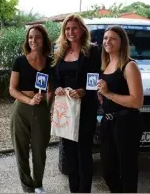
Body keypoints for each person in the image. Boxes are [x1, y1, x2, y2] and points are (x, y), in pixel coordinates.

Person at [52, 14, 101, 193]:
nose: (70, 32)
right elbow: (55, 76)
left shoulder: (93, 51)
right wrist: (57, 88)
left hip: (85, 108)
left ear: (82, 30)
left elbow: (95, 78)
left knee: (84, 153)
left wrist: (82, 91)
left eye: (74, 28)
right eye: (67, 29)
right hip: (66, 109)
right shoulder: (60, 51)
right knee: (70, 154)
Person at [97, 26, 144, 193]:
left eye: (112, 38)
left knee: (127, 172)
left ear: (122, 42)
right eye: (105, 38)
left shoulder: (129, 66)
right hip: (108, 123)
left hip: (126, 123)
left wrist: (108, 94)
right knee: (108, 172)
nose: (107, 41)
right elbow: (108, 94)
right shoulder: (105, 66)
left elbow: (137, 101)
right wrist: (102, 97)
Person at [9, 24, 53, 193]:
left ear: (44, 40)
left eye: (37, 37)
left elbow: (52, 88)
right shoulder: (19, 61)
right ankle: (27, 188)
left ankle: (38, 184)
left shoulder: (51, 62)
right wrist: (29, 101)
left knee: (40, 150)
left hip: (41, 110)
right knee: (21, 151)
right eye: (30, 37)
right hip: (21, 109)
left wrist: (48, 105)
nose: (33, 40)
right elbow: (12, 89)